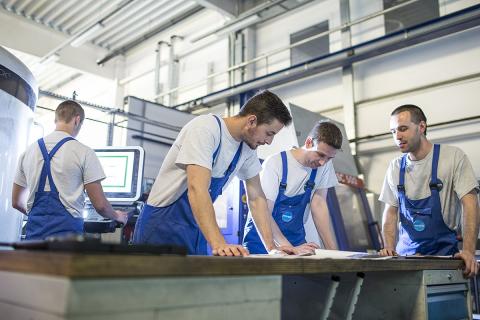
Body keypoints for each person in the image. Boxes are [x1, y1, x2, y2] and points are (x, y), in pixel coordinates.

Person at [133, 90, 292, 256]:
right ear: (252, 121)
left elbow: (256, 198)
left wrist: (272, 248)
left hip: (198, 228)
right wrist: (219, 244)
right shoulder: (205, 129)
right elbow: (197, 188)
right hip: (162, 226)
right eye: (269, 133)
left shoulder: (247, 148)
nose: (269, 141)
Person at [379, 104, 479, 277]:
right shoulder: (395, 167)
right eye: (393, 131)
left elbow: (470, 203)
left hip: (446, 260)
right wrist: (389, 247)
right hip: (405, 262)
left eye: (403, 129)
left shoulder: (453, 157)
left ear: (422, 127)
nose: (398, 136)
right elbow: (390, 213)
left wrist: (468, 251)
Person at [12, 100, 128, 240]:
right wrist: (117, 216)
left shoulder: (28, 152)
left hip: (34, 237)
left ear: (56, 119)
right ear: (77, 120)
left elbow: (16, 202)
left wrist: (40, 218)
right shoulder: (84, 152)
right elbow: (101, 206)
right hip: (67, 239)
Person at [243, 121, 341, 255]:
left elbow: (319, 205)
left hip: (296, 240)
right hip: (261, 241)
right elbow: (264, 211)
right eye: (320, 154)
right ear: (308, 143)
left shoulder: (324, 166)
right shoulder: (275, 163)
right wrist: (288, 248)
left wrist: (335, 253)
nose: (323, 162)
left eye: (330, 158)